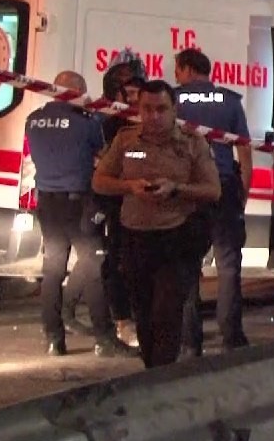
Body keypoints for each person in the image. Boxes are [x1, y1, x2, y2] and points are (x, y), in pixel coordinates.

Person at [92, 80, 221, 368]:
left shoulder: (191, 142)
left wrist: (175, 188)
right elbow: (99, 181)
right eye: (147, 109)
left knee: (167, 312)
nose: (153, 116)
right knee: (144, 314)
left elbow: (213, 189)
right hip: (135, 238)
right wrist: (129, 186)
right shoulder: (126, 141)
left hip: (175, 239)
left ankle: (161, 378)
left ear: (174, 109)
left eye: (161, 109)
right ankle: (152, 372)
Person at [26, 71, 138, 358]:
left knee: (52, 271)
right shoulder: (85, 124)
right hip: (79, 205)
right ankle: (104, 338)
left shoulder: (33, 120)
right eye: (83, 93)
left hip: (48, 205)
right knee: (93, 268)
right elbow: (103, 157)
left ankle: (54, 339)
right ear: (74, 91)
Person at [173, 48, 252, 353]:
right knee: (229, 265)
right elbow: (244, 152)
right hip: (223, 187)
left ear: (188, 69)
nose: (177, 76)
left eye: (178, 70)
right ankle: (232, 337)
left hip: (187, 190)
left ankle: (190, 342)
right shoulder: (230, 101)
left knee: (187, 265)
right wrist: (241, 193)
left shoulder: (174, 99)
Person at [97, 70, 145, 347]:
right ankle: (121, 321)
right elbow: (113, 163)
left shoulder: (150, 124)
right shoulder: (112, 125)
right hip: (119, 204)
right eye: (129, 93)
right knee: (117, 262)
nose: (135, 99)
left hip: (146, 206)